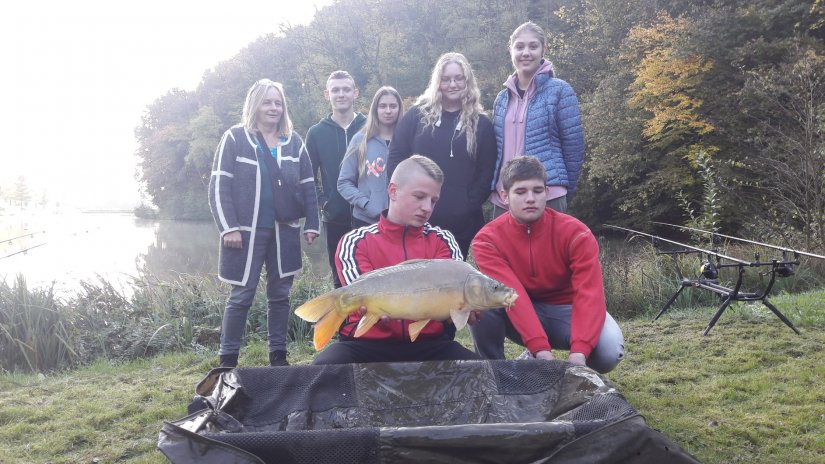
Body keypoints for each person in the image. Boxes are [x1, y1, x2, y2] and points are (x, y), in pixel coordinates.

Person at [313, 155, 480, 365]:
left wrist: (465, 308)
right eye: (419, 197)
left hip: (429, 344)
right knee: (324, 367)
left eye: (433, 200)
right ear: (393, 191)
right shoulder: (355, 241)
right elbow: (360, 292)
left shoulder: (443, 241)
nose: (427, 207)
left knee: (476, 369)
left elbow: (454, 298)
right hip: (366, 344)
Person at [470, 157, 624, 373]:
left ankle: (580, 376)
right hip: (518, 310)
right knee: (481, 302)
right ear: (505, 196)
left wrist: (579, 353)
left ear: (547, 192)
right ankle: (497, 375)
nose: (530, 199)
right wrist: (540, 349)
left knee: (609, 353)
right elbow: (511, 294)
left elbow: (589, 294)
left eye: (537, 191)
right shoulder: (486, 240)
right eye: (521, 192)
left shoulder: (576, 233)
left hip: (567, 312)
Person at [208, 79, 320, 368]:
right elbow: (219, 185)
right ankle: (227, 361)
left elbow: (309, 184)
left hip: (284, 230)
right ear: (255, 104)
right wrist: (228, 227)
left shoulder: (294, 141)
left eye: (278, 102)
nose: (273, 108)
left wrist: (312, 223)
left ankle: (278, 357)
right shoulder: (235, 138)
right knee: (241, 295)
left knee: (280, 295)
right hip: (245, 232)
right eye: (267, 102)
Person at [387, 52, 497, 259]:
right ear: (438, 82)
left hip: (460, 224)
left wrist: (466, 204)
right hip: (414, 219)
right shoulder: (416, 117)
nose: (452, 84)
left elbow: (487, 172)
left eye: (458, 78)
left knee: (449, 284)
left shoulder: (481, 124)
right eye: (446, 79)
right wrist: (403, 199)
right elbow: (396, 158)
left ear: (467, 81)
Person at [489, 21, 585, 217]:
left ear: (543, 49)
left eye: (533, 46)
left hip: (547, 194)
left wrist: (563, 188)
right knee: (505, 249)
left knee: (549, 249)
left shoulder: (560, 91)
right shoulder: (501, 98)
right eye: (520, 46)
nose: (526, 52)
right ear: (511, 50)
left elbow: (574, 146)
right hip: (504, 196)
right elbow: (496, 150)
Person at [306, 70, 367, 288]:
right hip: (335, 219)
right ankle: (342, 324)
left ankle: (372, 323)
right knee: (341, 281)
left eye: (346, 89)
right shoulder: (316, 133)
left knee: (373, 279)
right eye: (335, 90)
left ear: (355, 93)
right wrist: (324, 201)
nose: (341, 94)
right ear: (327, 94)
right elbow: (307, 177)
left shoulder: (370, 127)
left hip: (370, 219)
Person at [337, 86, 403, 228]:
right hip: (365, 222)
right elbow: (343, 183)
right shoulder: (360, 140)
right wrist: (366, 204)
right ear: (375, 109)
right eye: (382, 106)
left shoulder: (407, 141)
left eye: (393, 106)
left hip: (401, 223)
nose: (388, 111)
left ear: (399, 109)